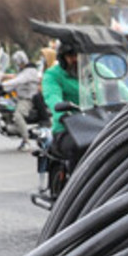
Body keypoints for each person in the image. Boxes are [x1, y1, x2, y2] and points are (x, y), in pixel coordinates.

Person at [42, 40, 83, 168]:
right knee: (79, 148)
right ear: (62, 58)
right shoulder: (53, 75)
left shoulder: (95, 70)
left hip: (97, 123)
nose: (75, 59)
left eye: (78, 55)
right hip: (67, 128)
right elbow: (52, 96)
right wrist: (62, 114)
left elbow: (119, 86)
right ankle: (77, 185)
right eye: (71, 56)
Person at [2, 50, 43, 148]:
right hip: (19, 98)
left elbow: (19, 80)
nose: (17, 64)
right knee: (5, 109)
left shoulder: (30, 71)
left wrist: (2, 84)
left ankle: (26, 141)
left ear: (22, 61)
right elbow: (16, 84)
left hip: (28, 99)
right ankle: (15, 128)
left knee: (18, 115)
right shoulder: (23, 71)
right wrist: (1, 89)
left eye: (18, 62)